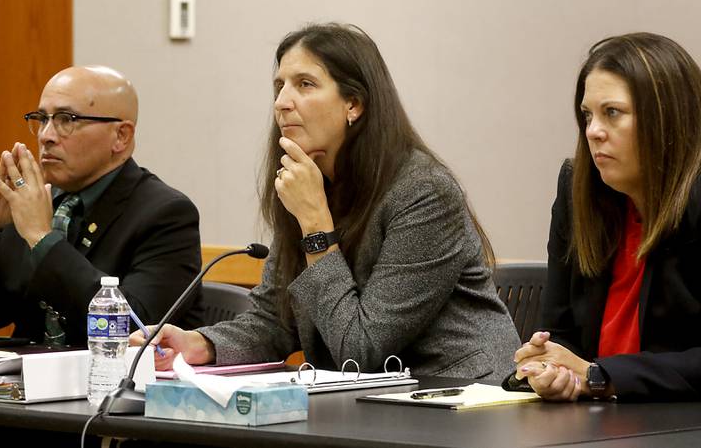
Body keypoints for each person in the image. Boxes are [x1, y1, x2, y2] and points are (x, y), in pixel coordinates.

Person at [132, 23, 519, 378]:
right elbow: (276, 320)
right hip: (369, 402)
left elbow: (362, 350)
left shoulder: (424, 192)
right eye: (279, 86)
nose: (282, 102)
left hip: (461, 396)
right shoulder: (310, 184)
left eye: (304, 84)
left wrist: (316, 226)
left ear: (354, 104)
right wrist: (198, 344)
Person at [0, 65, 204, 347]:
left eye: (67, 119)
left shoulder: (167, 214)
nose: (46, 135)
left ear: (121, 136)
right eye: (42, 119)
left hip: (115, 384)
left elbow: (132, 329)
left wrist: (43, 239)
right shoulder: (39, 202)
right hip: (27, 381)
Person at [511, 33, 701, 401]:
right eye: (587, 115)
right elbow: (560, 331)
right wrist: (550, 366)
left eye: (612, 113)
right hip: (595, 424)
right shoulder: (577, 192)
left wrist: (601, 376)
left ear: (666, 118)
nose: (593, 132)